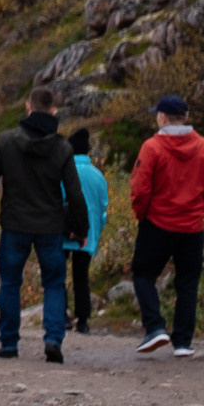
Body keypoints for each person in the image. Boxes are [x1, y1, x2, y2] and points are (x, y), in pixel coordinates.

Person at [0, 85, 90, 363]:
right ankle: (53, 339)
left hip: (15, 224)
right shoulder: (62, 147)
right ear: (53, 110)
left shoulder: (6, 141)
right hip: (49, 227)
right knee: (54, 283)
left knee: (10, 282)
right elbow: (74, 193)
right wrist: (81, 230)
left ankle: (9, 343)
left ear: (27, 107)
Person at [128, 94, 204, 356]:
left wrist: (142, 215)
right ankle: (183, 342)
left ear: (161, 117)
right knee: (188, 282)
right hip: (192, 227)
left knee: (143, 274)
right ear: (186, 116)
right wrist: (201, 211)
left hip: (157, 223)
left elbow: (140, 189)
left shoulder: (152, 147)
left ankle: (155, 327)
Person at [65, 127, 111, 335]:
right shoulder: (98, 176)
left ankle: (62, 315)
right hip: (88, 235)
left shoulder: (64, 171)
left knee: (57, 273)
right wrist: (96, 231)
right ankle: (83, 320)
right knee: (81, 276)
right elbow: (103, 209)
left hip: (63, 232)